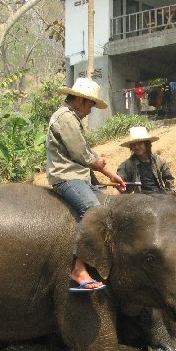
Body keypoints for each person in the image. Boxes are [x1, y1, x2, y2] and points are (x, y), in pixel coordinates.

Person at [47, 77, 127, 293]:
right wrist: (98, 164)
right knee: (93, 210)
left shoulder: (73, 118)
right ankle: (79, 268)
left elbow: (88, 153)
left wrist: (112, 175)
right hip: (66, 177)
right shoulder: (65, 118)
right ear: (80, 100)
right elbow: (82, 154)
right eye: (90, 104)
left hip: (80, 177)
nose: (90, 110)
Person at [116, 126, 176, 196]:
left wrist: (170, 196)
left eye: (140, 143)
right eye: (134, 144)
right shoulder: (126, 166)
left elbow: (169, 179)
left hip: (160, 199)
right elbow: (118, 183)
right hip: (139, 201)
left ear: (147, 144)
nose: (136, 147)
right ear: (131, 147)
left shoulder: (159, 161)